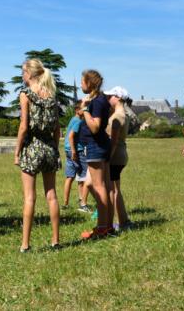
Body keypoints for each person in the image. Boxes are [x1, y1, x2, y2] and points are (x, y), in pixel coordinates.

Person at [13, 59, 61, 252]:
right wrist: (55, 148)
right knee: (52, 196)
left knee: (29, 198)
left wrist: (17, 152)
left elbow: (24, 126)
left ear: (29, 74)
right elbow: (57, 129)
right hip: (49, 147)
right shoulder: (51, 95)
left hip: (32, 147)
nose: (22, 76)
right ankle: (55, 240)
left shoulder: (25, 94)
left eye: (23, 72)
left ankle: (25, 244)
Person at [78, 69, 113, 240]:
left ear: (89, 83)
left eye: (82, 81)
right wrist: (85, 110)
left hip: (95, 146)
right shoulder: (98, 100)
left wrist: (85, 110)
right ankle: (106, 225)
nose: (80, 84)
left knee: (99, 187)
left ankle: (102, 228)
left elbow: (95, 127)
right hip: (98, 146)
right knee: (93, 185)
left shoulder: (98, 101)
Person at [104, 87, 132, 232]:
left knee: (113, 190)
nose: (108, 99)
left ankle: (121, 222)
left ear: (118, 97)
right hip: (121, 154)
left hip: (115, 156)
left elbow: (113, 141)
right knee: (116, 189)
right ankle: (124, 220)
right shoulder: (124, 114)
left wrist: (107, 158)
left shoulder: (117, 116)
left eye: (110, 96)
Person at [62, 103, 90, 212]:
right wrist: (74, 151)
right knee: (84, 177)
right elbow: (71, 136)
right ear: (77, 110)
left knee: (70, 177)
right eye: (84, 109)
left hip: (67, 150)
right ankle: (83, 204)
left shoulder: (73, 119)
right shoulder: (78, 121)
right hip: (76, 151)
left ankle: (65, 203)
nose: (86, 111)